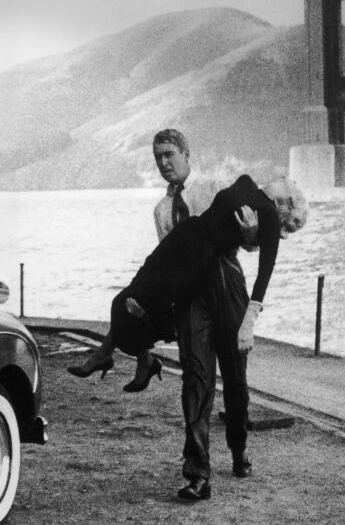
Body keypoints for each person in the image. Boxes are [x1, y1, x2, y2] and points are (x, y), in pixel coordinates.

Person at [108, 172, 308, 502]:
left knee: (234, 377)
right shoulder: (227, 187)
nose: (280, 178)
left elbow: (261, 260)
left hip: (226, 282)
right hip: (193, 284)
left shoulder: (261, 208)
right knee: (196, 376)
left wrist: (250, 239)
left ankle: (239, 450)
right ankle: (198, 473)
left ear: (285, 201)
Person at [66, 129, 256, 390]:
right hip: (187, 294)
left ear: (186, 154)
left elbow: (249, 245)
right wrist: (153, 300)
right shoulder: (162, 209)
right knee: (129, 308)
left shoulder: (215, 189)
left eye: (169, 155)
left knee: (235, 375)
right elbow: (166, 263)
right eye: (158, 158)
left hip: (223, 287)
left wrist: (249, 233)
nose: (164, 163)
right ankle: (141, 359)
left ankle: (121, 356)